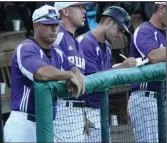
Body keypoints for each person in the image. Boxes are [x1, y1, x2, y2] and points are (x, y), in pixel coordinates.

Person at [3, 5, 84, 142]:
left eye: (56, 24)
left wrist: (78, 74)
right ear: (37, 26)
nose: (54, 29)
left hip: (46, 124)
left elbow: (72, 67)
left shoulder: (56, 51)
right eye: (48, 24)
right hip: (23, 125)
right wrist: (68, 75)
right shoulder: (27, 48)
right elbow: (41, 73)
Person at [77, 6, 137, 142]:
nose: (120, 35)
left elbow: (103, 74)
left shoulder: (107, 47)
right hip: (85, 111)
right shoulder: (85, 43)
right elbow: (92, 79)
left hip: (101, 109)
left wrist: (120, 68)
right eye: (119, 29)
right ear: (109, 21)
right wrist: (121, 67)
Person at [127, 2, 166, 142]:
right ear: (162, 8)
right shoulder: (144, 30)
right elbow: (154, 56)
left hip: (161, 99)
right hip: (145, 99)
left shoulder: (164, 33)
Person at [53, 2, 91, 142]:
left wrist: (83, 115)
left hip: (77, 110)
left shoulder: (75, 40)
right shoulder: (57, 35)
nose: (84, 11)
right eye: (79, 7)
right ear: (65, 11)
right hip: (61, 109)